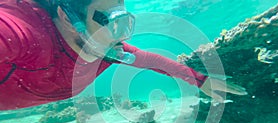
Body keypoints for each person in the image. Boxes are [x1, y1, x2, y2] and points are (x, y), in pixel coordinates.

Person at [0, 0, 247, 110]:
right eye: (108, 21)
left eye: (124, 23)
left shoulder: (107, 49)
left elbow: (152, 60)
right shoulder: (23, 31)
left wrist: (201, 81)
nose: (121, 38)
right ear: (67, 17)